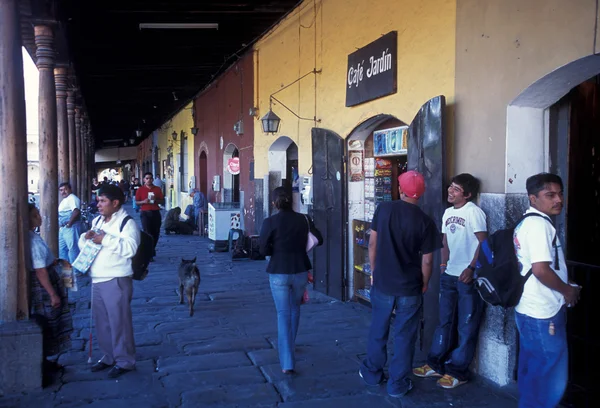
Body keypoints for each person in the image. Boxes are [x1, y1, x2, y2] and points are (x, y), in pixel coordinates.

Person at [359, 170, 442, 398]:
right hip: (410, 287)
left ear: (401, 189)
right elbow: (428, 261)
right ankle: (397, 384)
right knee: (405, 335)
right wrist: (424, 283)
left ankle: (372, 373)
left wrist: (375, 272)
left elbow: (373, 244)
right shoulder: (426, 222)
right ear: (421, 193)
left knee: (378, 329)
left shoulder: (384, 210)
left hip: (384, 283)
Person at [513, 173, 581, 408]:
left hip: (530, 309)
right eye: (550, 195)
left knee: (533, 371)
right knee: (549, 378)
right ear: (533, 198)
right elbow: (541, 270)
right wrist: (567, 291)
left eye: (560, 193)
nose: (558, 200)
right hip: (542, 312)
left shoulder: (528, 222)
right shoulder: (540, 225)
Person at [413, 173, 487, 389]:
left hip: (467, 278)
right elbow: (444, 241)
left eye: (456, 189)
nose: (450, 191)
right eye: (450, 187)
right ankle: (435, 364)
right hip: (449, 275)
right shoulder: (447, 213)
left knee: (466, 325)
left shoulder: (475, 213)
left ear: (468, 194)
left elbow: (484, 243)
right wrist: (443, 266)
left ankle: (458, 371)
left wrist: (472, 268)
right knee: (444, 321)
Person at [79, 184, 141, 379]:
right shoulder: (98, 220)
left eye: (103, 201)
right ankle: (108, 356)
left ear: (115, 203)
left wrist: (105, 239)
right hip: (97, 278)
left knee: (119, 322)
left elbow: (130, 248)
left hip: (116, 279)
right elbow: (86, 243)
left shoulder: (127, 222)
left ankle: (125, 360)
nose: (99, 205)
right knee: (102, 323)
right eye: (98, 201)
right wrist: (86, 237)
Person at [259, 187, 323, 374]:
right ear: (292, 202)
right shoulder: (303, 219)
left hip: (279, 271)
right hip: (300, 271)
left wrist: (274, 250)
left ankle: (287, 362)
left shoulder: (270, 222)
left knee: (282, 314)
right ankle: (291, 344)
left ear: (274, 203)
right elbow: (320, 238)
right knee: (295, 308)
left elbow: (262, 250)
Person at [28, 203, 74, 383]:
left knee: (52, 321)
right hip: (44, 287)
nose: (39, 217)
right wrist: (53, 294)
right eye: (34, 215)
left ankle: (46, 361)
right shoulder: (31, 241)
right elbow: (40, 271)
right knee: (49, 321)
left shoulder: (33, 236)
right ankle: (42, 366)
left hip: (48, 279)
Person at [135, 172, 164, 260]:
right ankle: (149, 253)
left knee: (156, 233)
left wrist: (156, 200)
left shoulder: (157, 189)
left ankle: (152, 249)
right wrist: (143, 201)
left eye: (150, 178)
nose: (149, 180)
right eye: (147, 178)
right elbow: (136, 202)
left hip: (155, 212)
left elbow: (162, 201)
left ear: (153, 179)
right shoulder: (140, 189)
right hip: (145, 213)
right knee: (147, 233)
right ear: (144, 179)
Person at [58, 182, 83, 268]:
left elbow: (76, 211)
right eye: (61, 190)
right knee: (62, 249)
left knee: (73, 250)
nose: (63, 192)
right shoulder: (66, 199)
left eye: (65, 189)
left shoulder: (72, 198)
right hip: (64, 228)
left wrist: (69, 224)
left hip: (71, 227)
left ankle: (76, 271)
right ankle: (67, 270)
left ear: (70, 189)